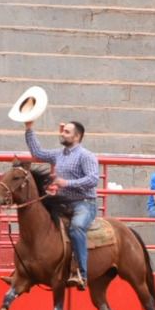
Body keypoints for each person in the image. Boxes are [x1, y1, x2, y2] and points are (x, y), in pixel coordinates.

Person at [24, 118, 100, 290]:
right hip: (63, 203)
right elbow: (38, 153)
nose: (62, 134)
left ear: (77, 136)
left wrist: (66, 183)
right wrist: (29, 128)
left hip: (84, 203)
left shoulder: (86, 156)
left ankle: (81, 273)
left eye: (66, 132)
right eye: (63, 131)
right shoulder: (58, 154)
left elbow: (93, 179)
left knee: (77, 227)